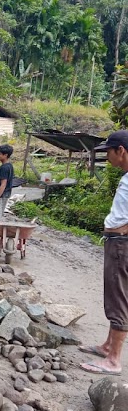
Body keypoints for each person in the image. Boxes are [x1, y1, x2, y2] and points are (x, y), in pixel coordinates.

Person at [79, 130, 128, 376]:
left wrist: (122, 231)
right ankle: (108, 346)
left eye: (108, 152)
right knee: (113, 291)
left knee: (119, 296)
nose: (107, 157)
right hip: (117, 240)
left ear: (121, 151)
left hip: (122, 243)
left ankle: (114, 360)